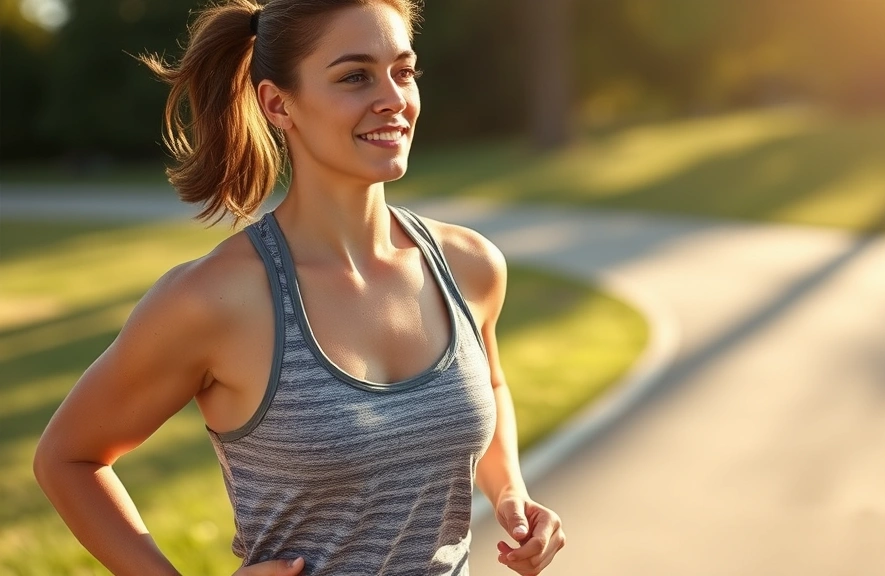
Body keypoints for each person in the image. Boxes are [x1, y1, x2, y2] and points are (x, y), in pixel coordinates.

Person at [32, 0, 566, 574]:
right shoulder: (217, 299)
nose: (393, 97)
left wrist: (508, 489)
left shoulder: (470, 266)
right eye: (355, 76)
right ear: (278, 103)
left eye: (404, 71)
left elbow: (488, 379)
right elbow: (67, 458)